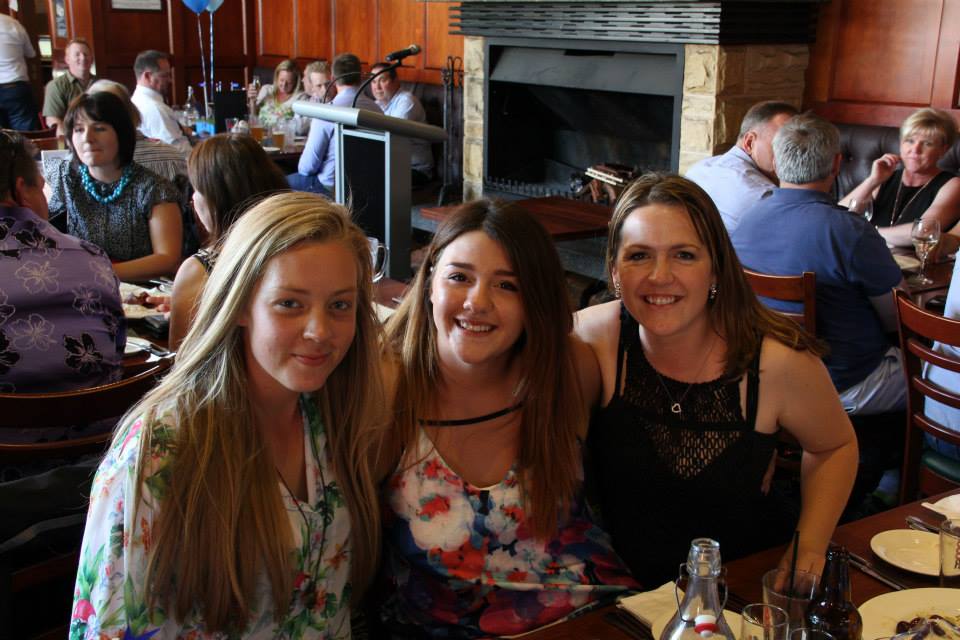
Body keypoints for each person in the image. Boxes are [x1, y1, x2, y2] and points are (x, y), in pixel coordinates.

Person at [71, 192, 388, 638]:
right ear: (239, 305)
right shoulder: (162, 449)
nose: (320, 331)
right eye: (290, 303)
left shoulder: (333, 416)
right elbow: (109, 626)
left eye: (339, 305)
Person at [575, 173, 858, 588]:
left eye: (684, 255)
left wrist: (810, 545)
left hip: (741, 585)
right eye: (639, 256)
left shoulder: (777, 360)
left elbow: (834, 447)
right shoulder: (592, 338)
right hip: (625, 590)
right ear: (615, 271)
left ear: (715, 269)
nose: (660, 275)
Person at [379, 200, 637, 637]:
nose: (477, 302)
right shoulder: (388, 390)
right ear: (429, 283)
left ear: (533, 301)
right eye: (459, 277)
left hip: (600, 616)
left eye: (507, 285)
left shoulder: (566, 369)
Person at [734, 113, 905, 415]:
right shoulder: (850, 231)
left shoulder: (746, 220)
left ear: (776, 163)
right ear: (837, 165)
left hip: (765, 376)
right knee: (941, 378)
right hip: (844, 385)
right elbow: (898, 317)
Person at [0, 129, 123, 393]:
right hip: (99, 416)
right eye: (41, 187)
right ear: (22, 191)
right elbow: (117, 349)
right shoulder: (92, 258)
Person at [166, 133, 289, 349]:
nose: (192, 198)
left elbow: (182, 359)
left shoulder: (201, 270)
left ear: (216, 199)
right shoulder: (296, 248)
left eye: (196, 189)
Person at [44, 92, 183, 281]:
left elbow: (167, 258)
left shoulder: (154, 189)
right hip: (79, 285)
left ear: (122, 134)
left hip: (139, 289)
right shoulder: (65, 177)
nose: (87, 138)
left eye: (99, 128)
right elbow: (38, 229)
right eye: (78, 129)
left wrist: (98, 273)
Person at [841, 108, 960, 249]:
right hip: (867, 254)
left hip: (910, 262)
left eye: (927, 143)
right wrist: (872, 180)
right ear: (901, 144)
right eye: (909, 141)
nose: (915, 150)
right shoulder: (885, 177)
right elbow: (838, 216)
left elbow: (924, 231)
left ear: (943, 150)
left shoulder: (952, 185)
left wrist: (867, 232)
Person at [685, 101, 798, 234]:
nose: (794, 153)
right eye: (782, 144)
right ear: (749, 142)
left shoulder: (698, 168)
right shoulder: (764, 197)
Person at [291, 53, 381, 196]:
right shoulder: (378, 111)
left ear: (333, 79)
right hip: (368, 187)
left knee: (274, 182)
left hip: (330, 188)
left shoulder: (327, 112)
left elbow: (307, 167)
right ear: (360, 77)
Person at [370, 62, 434, 184]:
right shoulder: (376, 104)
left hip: (415, 170)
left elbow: (391, 136)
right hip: (391, 165)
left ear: (395, 81)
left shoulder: (406, 101)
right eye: (373, 81)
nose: (377, 87)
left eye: (382, 80)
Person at [131, 49, 192, 157]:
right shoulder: (156, 109)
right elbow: (180, 154)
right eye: (165, 75)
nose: (170, 80)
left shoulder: (136, 100)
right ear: (148, 76)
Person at [43, 38, 95, 136]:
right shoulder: (55, 86)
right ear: (67, 60)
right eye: (77, 54)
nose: (83, 58)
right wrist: (70, 140)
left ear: (92, 59)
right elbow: (53, 120)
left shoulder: (101, 83)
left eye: (86, 54)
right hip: (71, 137)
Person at [0, 12, 40, 131]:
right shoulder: (13, 24)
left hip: (15, 88)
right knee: (25, 135)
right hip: (15, 87)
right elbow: (31, 53)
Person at [247, 59, 309, 134]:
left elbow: (301, 128)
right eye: (281, 80)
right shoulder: (266, 89)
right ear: (276, 78)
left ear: (296, 82)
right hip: (260, 134)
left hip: (282, 136)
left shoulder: (301, 97)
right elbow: (253, 117)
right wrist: (252, 100)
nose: (284, 85)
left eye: (289, 82)